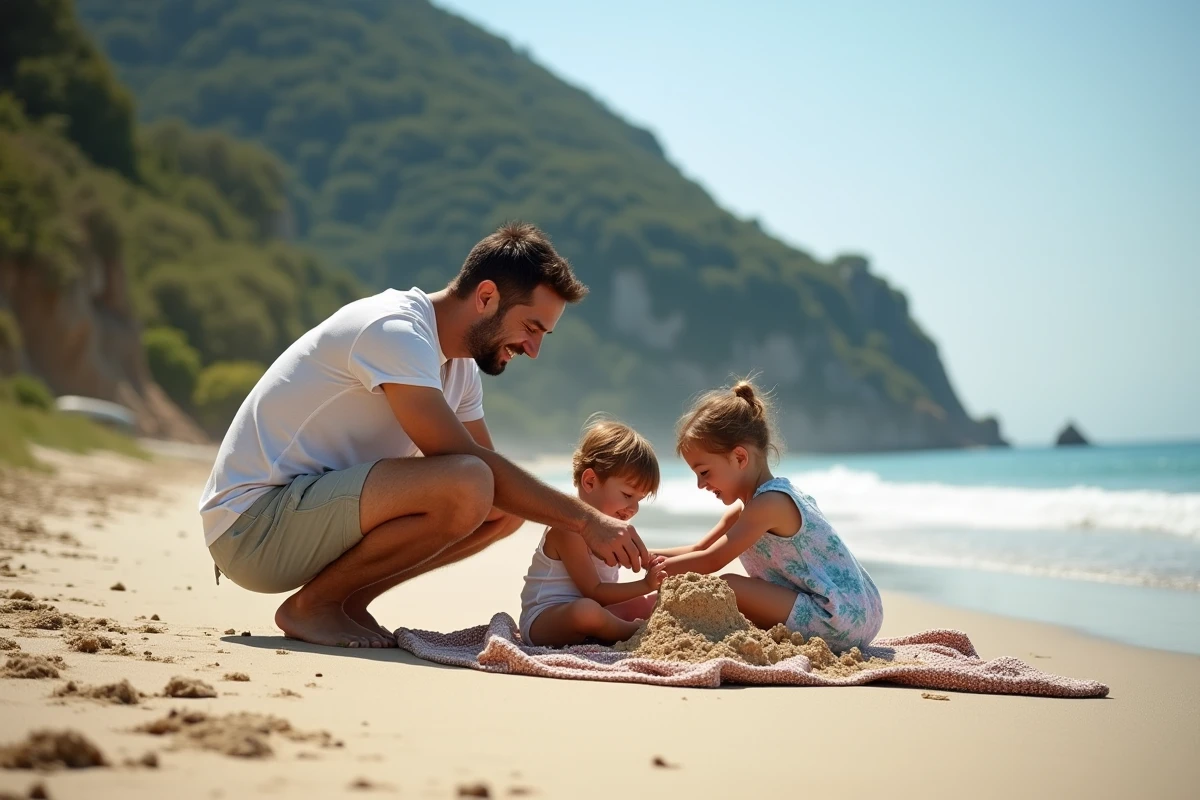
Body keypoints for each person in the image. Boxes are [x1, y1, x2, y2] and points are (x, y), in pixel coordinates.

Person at [199, 222, 649, 648]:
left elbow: (496, 487)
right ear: (486, 296)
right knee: (469, 481)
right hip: (252, 527)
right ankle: (313, 605)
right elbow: (463, 462)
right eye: (531, 328)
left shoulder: (460, 368)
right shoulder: (395, 330)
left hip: (302, 518)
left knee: (502, 508)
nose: (533, 349)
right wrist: (586, 519)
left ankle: (347, 602)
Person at [654, 380, 884, 651]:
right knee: (726, 593)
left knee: (727, 588)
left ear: (740, 458)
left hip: (837, 617)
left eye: (704, 472)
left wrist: (653, 576)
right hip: (856, 613)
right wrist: (642, 557)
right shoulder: (746, 511)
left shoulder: (771, 503)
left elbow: (713, 559)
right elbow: (698, 549)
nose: (700, 485)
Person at [519, 419, 666, 646]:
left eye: (640, 500)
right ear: (589, 482)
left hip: (596, 610)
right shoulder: (568, 528)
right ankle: (633, 632)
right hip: (545, 621)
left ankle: (614, 629)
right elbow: (594, 592)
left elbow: (635, 562)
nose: (633, 508)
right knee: (586, 611)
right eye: (627, 495)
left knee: (648, 602)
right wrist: (645, 584)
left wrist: (650, 563)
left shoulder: (613, 532)